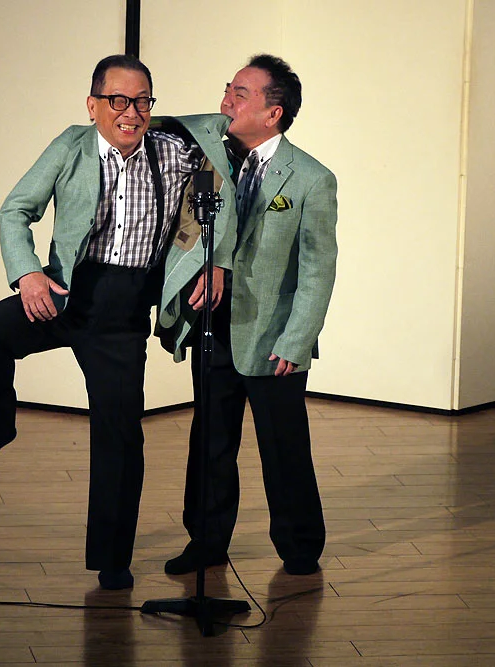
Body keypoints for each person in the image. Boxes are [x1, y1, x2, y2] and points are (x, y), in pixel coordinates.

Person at [0, 54, 235, 590]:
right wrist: (28, 274)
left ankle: (113, 558)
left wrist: (215, 256)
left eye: (142, 101)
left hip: (123, 313)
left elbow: (216, 181)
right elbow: (15, 210)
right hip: (64, 294)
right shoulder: (72, 146)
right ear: (93, 105)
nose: (131, 112)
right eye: (118, 100)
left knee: (120, 435)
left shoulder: (173, 151)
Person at [163, 54, 338, 577]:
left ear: (273, 113)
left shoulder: (312, 179)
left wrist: (297, 339)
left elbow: (317, 269)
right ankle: (206, 541)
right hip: (213, 326)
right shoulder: (209, 164)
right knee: (210, 442)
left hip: (273, 336)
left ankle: (300, 546)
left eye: (240, 94)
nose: (226, 101)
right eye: (228, 89)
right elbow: (188, 234)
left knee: (284, 446)